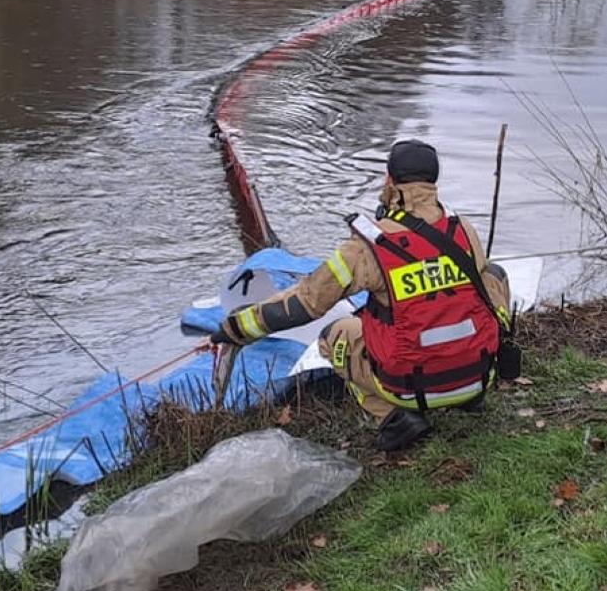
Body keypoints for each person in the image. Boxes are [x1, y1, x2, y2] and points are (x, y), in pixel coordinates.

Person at [209, 139, 512, 451]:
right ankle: (469, 392)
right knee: (493, 276)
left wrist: (236, 328)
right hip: (476, 376)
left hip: (409, 387)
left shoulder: (368, 246)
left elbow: (305, 304)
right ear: (433, 182)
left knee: (332, 336)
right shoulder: (463, 230)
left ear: (389, 180)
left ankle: (392, 418)